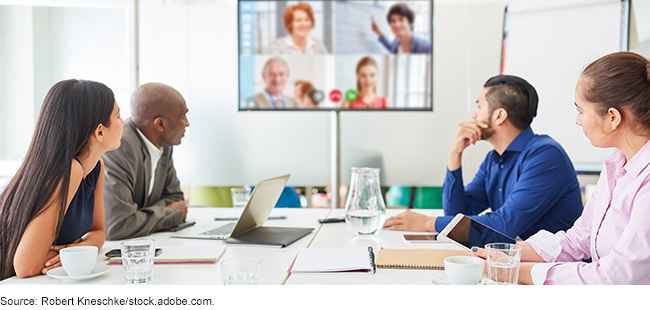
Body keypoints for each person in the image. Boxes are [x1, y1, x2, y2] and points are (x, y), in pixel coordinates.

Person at [473, 52, 650, 285]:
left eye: (580, 111)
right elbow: (578, 239)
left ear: (613, 118)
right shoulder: (616, 166)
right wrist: (508, 254)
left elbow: (613, 277)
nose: (577, 120)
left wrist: (514, 270)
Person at [385, 75, 583, 243]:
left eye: (479, 106)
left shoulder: (545, 156)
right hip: (523, 265)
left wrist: (428, 223)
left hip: (558, 271)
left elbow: (502, 227)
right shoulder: (493, 159)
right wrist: (455, 154)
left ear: (499, 116)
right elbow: (456, 217)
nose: (474, 114)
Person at [0, 79, 124, 280]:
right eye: (118, 115)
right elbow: (26, 266)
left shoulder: (96, 167)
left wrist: (81, 248)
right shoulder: (70, 170)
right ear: (100, 131)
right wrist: (72, 254)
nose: (123, 122)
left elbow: (99, 232)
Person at [102, 83, 189, 240]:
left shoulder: (164, 145)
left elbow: (177, 199)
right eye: (183, 116)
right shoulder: (120, 147)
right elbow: (117, 225)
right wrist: (167, 212)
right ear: (160, 124)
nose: (187, 123)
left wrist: (140, 214)